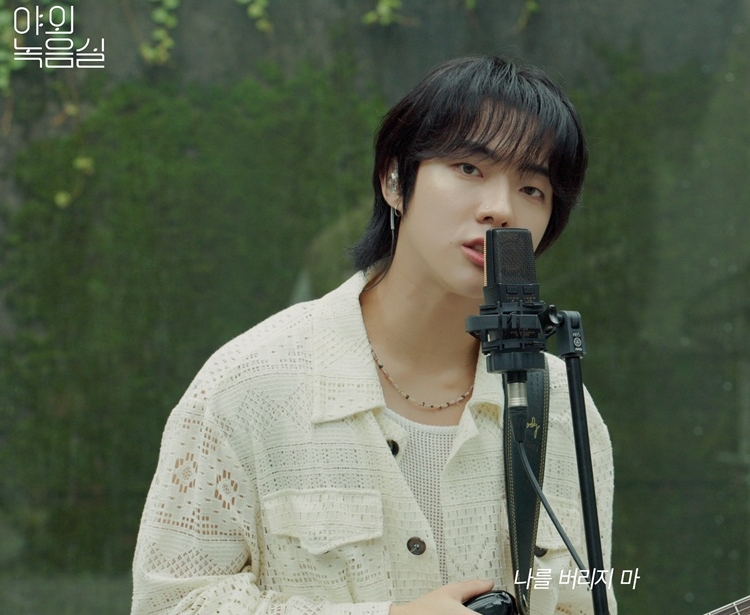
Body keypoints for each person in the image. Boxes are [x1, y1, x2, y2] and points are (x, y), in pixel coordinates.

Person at [131, 56, 615, 615]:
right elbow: (171, 603)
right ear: (394, 180)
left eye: (532, 188)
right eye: (468, 167)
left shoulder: (559, 407)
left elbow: (586, 599)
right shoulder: (250, 385)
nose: (499, 209)